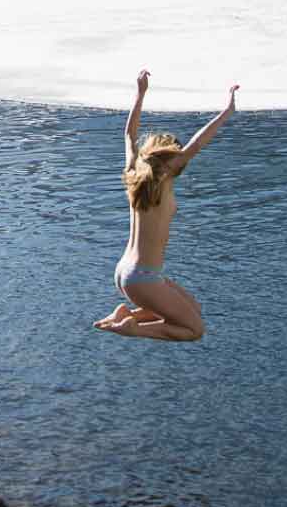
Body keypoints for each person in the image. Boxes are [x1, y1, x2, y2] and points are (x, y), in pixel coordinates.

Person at [94, 69, 238, 341]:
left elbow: (128, 135)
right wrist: (226, 111)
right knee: (194, 330)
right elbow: (197, 144)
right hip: (143, 277)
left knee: (192, 309)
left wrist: (140, 93)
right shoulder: (163, 180)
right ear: (168, 162)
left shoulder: (133, 175)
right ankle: (132, 328)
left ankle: (126, 315)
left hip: (127, 271)